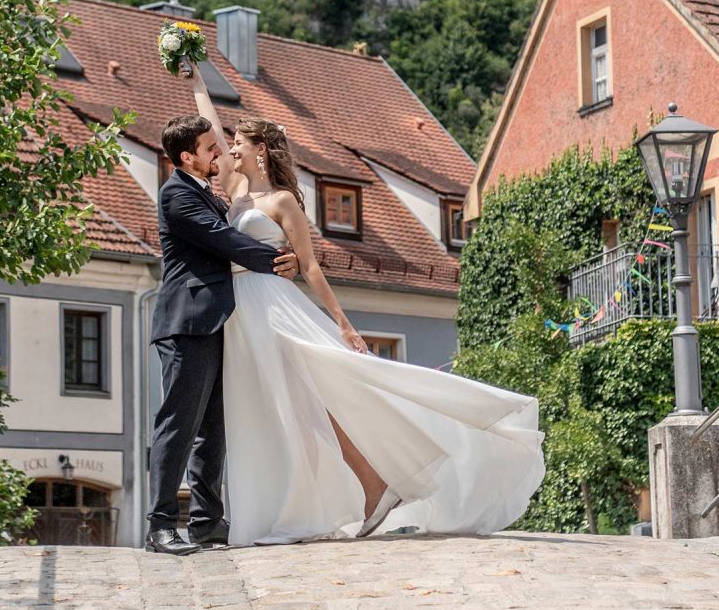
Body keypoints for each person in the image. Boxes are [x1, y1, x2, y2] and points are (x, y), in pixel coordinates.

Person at [186, 64, 546, 546]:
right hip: (241, 314)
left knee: (320, 398)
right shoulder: (233, 189)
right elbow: (209, 123)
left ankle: (374, 486)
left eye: (239, 144)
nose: (229, 148)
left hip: (274, 307)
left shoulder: (283, 202)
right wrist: (194, 79)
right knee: (273, 410)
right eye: (229, 145)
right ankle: (305, 504)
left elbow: (311, 268)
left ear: (261, 150)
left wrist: (344, 324)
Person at [146, 113, 300, 556]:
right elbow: (224, 241)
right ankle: (160, 525)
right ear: (187, 157)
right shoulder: (177, 195)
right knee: (178, 424)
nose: (220, 154)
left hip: (215, 321)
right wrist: (280, 260)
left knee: (212, 427)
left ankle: (207, 521)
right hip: (187, 323)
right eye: (211, 148)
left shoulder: (203, 189)